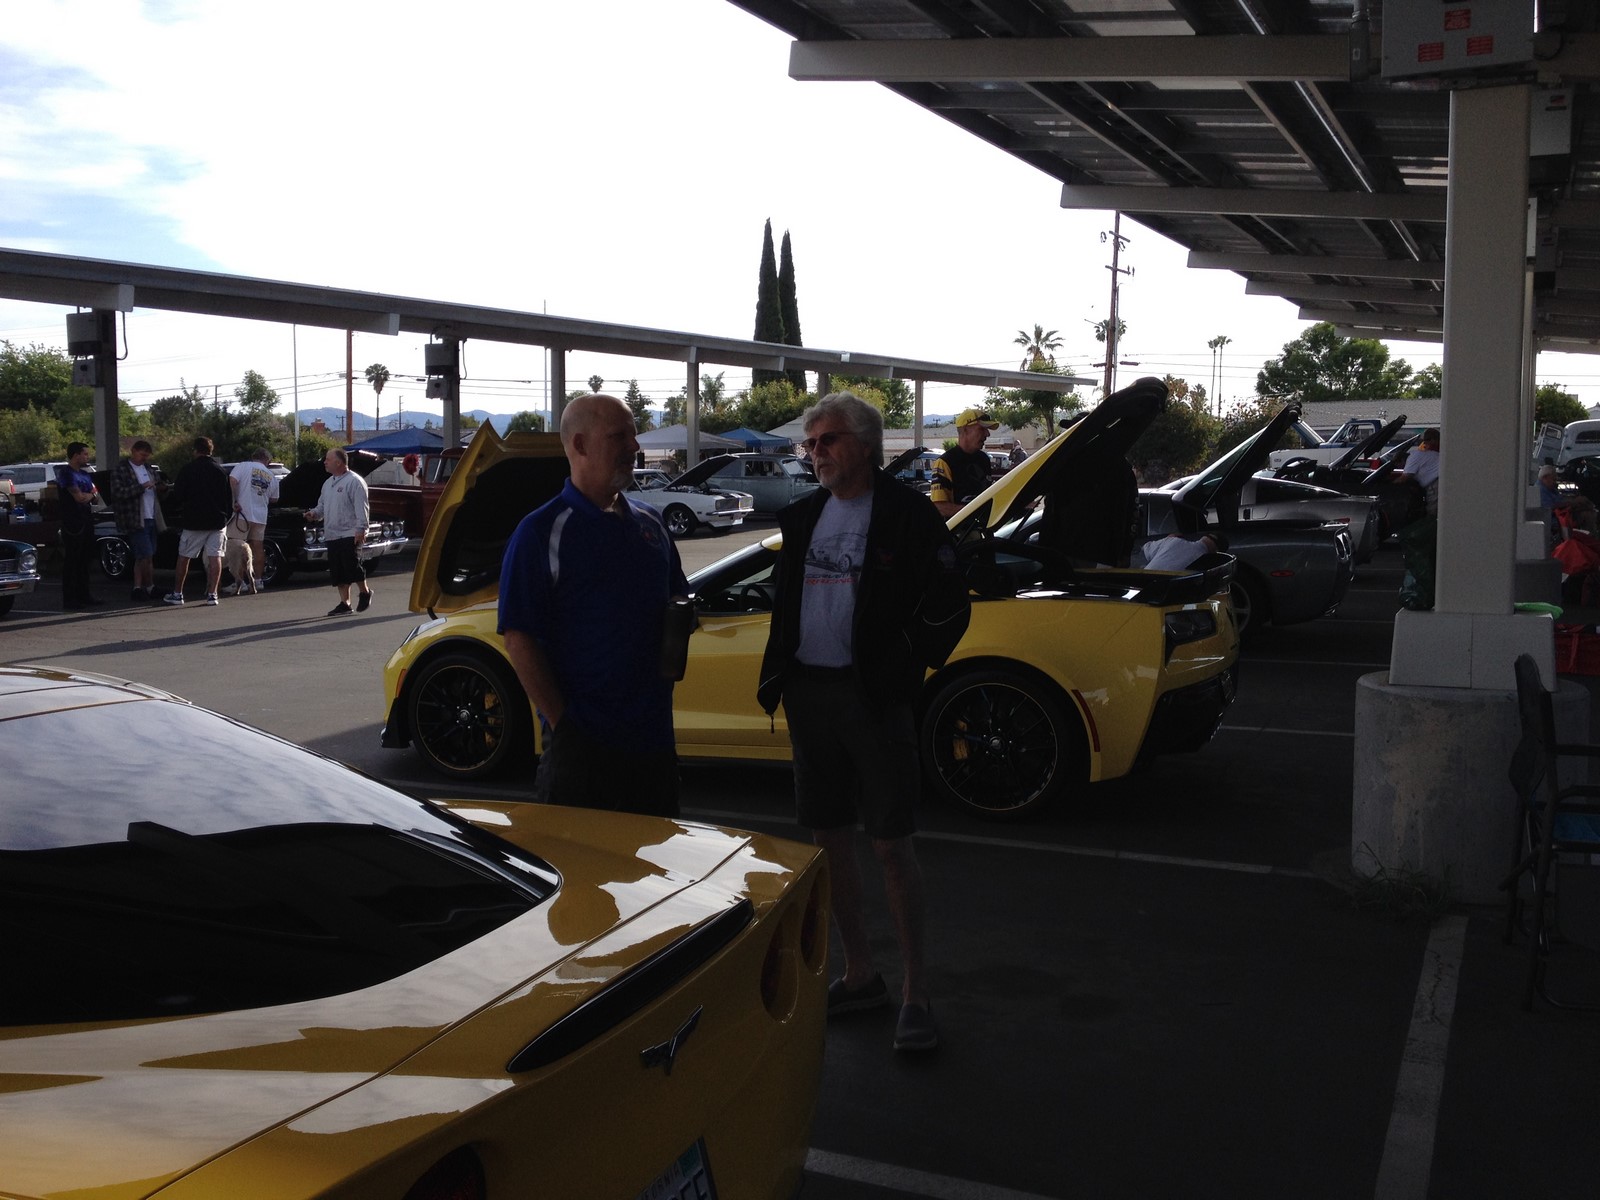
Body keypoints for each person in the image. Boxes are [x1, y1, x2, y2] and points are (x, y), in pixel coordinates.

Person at [758, 391, 971, 1053]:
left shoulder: (907, 514)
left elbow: (950, 602)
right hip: (810, 695)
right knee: (829, 842)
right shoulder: (804, 515)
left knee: (890, 845)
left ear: (864, 445)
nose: (815, 452)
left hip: (873, 701)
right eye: (811, 443)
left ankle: (916, 992)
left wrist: (905, 665)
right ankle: (860, 974)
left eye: (828, 440)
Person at [498, 393, 688, 815]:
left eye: (634, 435)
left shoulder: (651, 523)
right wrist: (565, 726)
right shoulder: (540, 532)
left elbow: (677, 596)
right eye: (619, 436)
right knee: (583, 858)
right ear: (580, 445)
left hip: (654, 744)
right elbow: (518, 638)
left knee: (655, 857)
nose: (634, 446)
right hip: (583, 751)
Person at [164, 436, 232, 607]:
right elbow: (228, 498)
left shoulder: (188, 469)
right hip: (217, 521)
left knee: (184, 557)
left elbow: (178, 495)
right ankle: (212, 594)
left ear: (195, 450)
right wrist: (225, 516)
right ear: (211, 450)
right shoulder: (220, 471)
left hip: (194, 521)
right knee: (215, 557)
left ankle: (178, 593)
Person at [304, 448, 373, 616]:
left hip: (350, 532)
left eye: (328, 459)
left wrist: (361, 528)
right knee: (337, 570)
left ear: (338, 462)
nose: (325, 462)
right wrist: (314, 514)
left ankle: (364, 592)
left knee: (352, 566)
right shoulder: (328, 483)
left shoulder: (355, 481)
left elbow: (362, 507)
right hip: (332, 532)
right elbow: (322, 506)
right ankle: (345, 603)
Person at [109, 439, 163, 601]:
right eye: (141, 455)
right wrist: (142, 487)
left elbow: (158, 485)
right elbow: (118, 493)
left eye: (146, 456)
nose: (144, 458)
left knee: (143, 555)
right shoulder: (121, 470)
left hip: (151, 515)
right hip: (135, 518)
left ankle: (138, 587)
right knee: (146, 554)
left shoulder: (149, 468)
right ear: (133, 451)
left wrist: (161, 487)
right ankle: (150, 586)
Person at [55, 442, 102, 609]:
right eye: (85, 454)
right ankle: (70, 598)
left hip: (86, 518)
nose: (87, 457)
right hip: (72, 522)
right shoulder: (66, 473)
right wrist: (90, 495)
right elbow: (79, 497)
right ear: (76, 455)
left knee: (85, 559)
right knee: (73, 560)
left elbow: (96, 496)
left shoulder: (85, 474)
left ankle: (84, 594)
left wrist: (90, 495)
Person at [929, 407, 999, 517]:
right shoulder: (945, 462)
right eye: (982, 429)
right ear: (965, 430)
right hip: (958, 528)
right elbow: (939, 506)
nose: (987, 434)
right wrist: (975, 512)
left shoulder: (984, 459)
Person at [228, 449, 280, 595]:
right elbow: (274, 498)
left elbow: (232, 480)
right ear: (267, 460)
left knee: (237, 547)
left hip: (242, 513)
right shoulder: (271, 475)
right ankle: (258, 580)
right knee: (258, 547)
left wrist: (234, 500)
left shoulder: (243, 466)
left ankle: (240, 582)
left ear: (253, 457)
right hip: (260, 515)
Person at [1396, 427, 1441, 516]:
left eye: (1399, 465)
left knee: (1433, 512)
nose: (1400, 467)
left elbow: (1405, 477)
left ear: (1402, 460)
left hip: (1435, 484)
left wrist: (1390, 484)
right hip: (1438, 481)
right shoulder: (1424, 454)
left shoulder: (1413, 457)